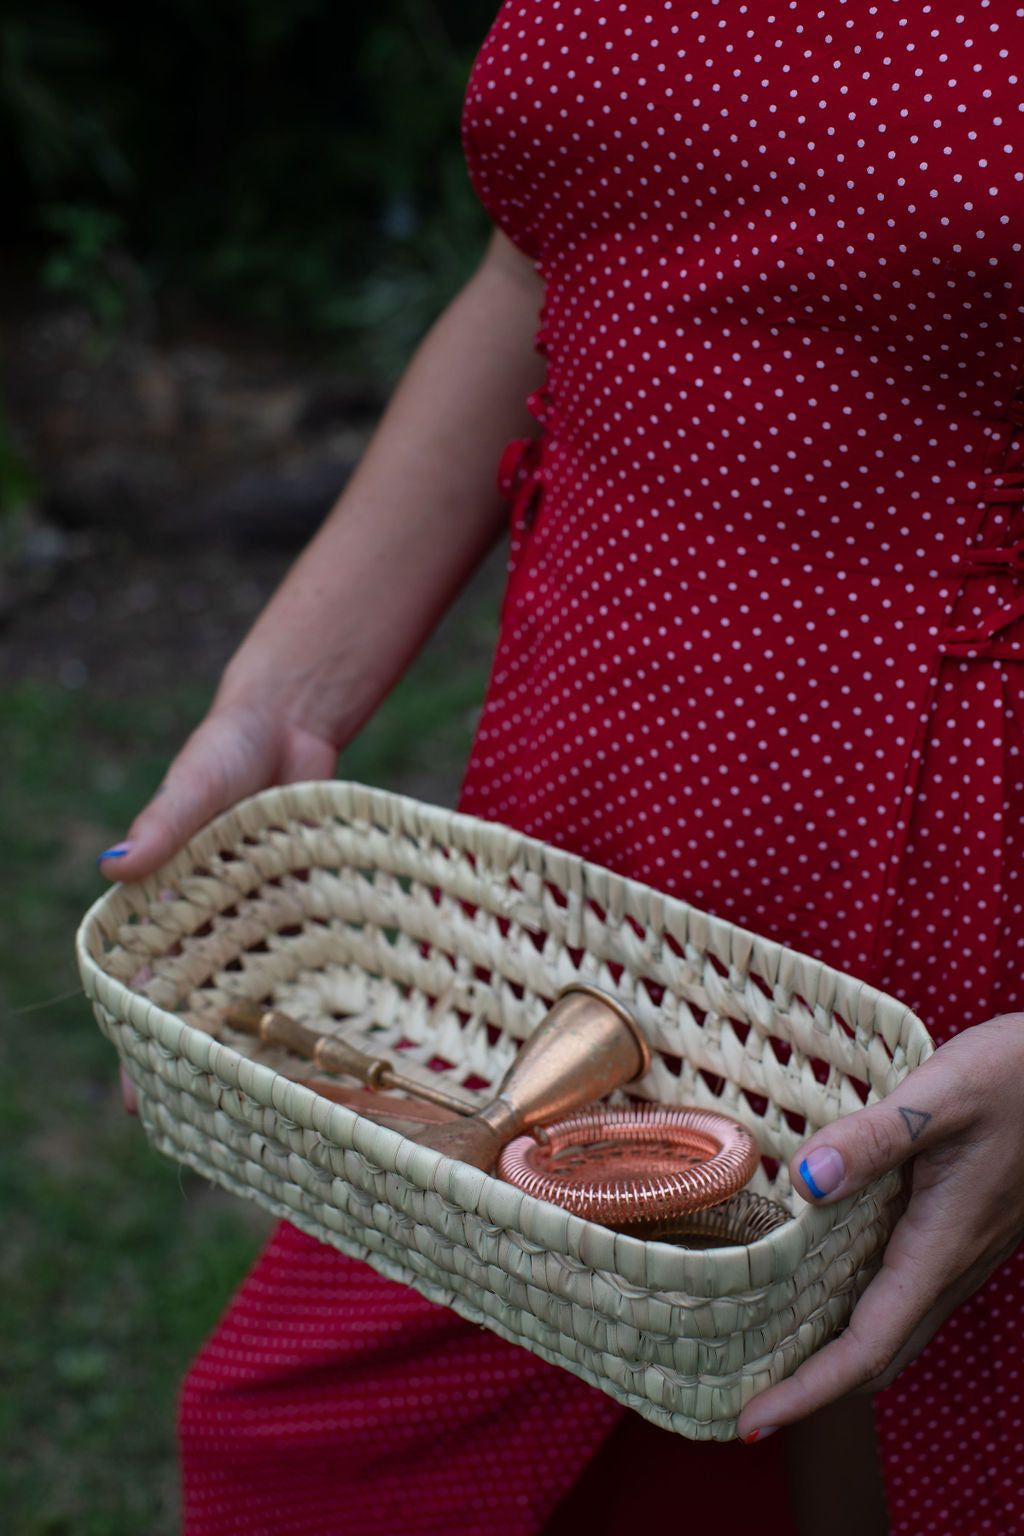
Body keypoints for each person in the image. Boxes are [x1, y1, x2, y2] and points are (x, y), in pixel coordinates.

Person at [100, 2, 1024, 1532]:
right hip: (567, 863)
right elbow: (538, 259)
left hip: (939, 890)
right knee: (315, 1460)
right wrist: (284, 693)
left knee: (875, 1457)